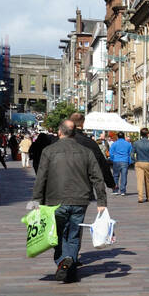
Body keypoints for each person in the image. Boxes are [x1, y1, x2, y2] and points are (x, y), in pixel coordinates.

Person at [28, 120, 108, 283]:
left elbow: (41, 177)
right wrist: (101, 201)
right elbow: (97, 178)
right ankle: (69, 262)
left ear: (59, 132)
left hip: (55, 199)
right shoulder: (86, 151)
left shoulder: (49, 151)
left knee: (57, 234)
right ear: (74, 133)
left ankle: (64, 261)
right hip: (80, 200)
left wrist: (36, 200)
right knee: (73, 234)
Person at [70, 113, 115, 191]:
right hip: (83, 184)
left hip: (61, 185)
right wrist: (110, 183)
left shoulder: (60, 140)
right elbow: (101, 163)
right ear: (82, 123)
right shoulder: (90, 142)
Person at [131, 128, 149, 203]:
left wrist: (135, 161)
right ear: (148, 134)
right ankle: (148, 196)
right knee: (148, 180)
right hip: (148, 163)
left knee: (139, 181)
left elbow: (132, 154)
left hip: (139, 163)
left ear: (141, 134)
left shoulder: (136, 143)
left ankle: (140, 197)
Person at [108, 132, 133, 196]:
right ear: (124, 136)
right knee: (124, 176)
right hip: (125, 161)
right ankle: (123, 191)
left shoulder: (114, 144)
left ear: (118, 137)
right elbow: (130, 154)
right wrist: (129, 161)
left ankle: (115, 190)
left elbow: (111, 153)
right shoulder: (128, 144)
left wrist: (113, 159)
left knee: (115, 176)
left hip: (116, 161)